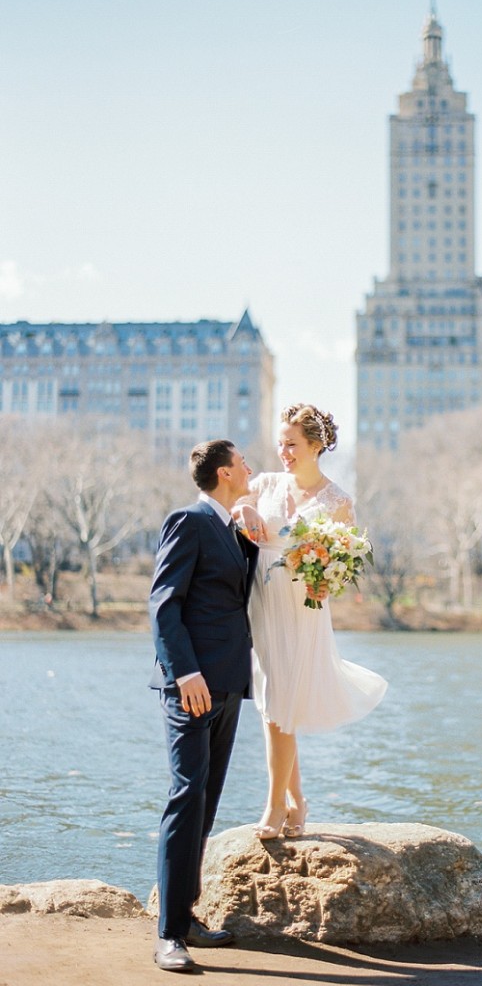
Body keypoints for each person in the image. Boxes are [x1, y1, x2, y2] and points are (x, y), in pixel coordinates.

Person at [238, 403, 387, 840]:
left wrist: (328, 582)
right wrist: (244, 510)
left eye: (292, 444)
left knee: (282, 704)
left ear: (316, 446)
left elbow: (348, 557)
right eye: (280, 443)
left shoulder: (338, 501)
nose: (284, 452)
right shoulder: (263, 484)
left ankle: (275, 805)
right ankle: (295, 800)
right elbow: (233, 500)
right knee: (272, 705)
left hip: (303, 607)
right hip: (263, 602)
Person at [148, 440, 260, 973]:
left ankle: (187, 916)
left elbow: (238, 592)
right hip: (190, 686)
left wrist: (254, 534)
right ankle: (169, 935)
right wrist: (185, 672)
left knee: (207, 805)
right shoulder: (188, 520)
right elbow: (164, 602)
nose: (251, 467)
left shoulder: (232, 528)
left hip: (229, 686)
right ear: (223, 472)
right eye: (243, 462)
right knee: (186, 797)